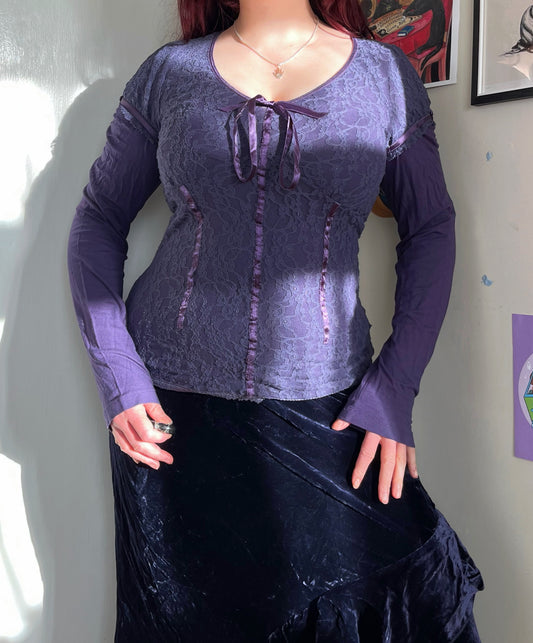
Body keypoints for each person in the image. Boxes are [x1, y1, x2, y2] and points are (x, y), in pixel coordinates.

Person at [67, 0, 484, 640]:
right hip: (168, 414)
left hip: (334, 403)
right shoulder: (168, 74)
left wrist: (395, 387)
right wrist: (119, 375)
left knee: (403, 597)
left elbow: (430, 227)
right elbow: (98, 220)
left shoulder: (383, 76)